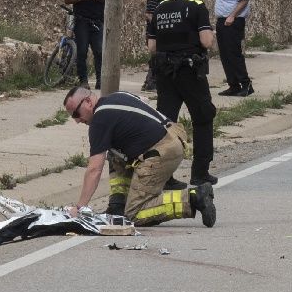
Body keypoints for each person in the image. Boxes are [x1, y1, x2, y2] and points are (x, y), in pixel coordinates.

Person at [61, 86, 215, 228]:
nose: (77, 120)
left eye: (76, 113)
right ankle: (117, 205)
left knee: (134, 215)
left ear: (88, 101)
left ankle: (193, 198)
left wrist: (79, 208)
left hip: (161, 152)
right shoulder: (118, 96)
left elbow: (94, 169)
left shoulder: (100, 120)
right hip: (174, 136)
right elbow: (143, 100)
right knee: (114, 152)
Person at [149, 0, 218, 186]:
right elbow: (206, 41)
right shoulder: (197, 6)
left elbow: (152, 47)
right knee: (203, 116)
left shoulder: (160, 7)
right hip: (190, 71)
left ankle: (165, 176)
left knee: (166, 123)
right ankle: (200, 173)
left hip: (165, 72)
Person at [62, 0, 106, 90]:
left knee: (99, 51)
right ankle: (83, 80)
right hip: (81, 21)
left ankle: (100, 80)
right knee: (82, 51)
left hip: (97, 21)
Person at [213, 0, 253, 97]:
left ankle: (246, 84)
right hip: (222, 22)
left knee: (234, 54)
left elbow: (244, 0)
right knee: (225, 55)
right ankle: (233, 85)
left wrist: (232, 16)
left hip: (233, 21)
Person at [139, 0, 176, 93]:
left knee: (159, 57)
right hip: (155, 34)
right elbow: (149, 15)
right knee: (156, 57)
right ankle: (151, 83)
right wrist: (160, 26)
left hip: (165, 33)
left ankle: (149, 83)